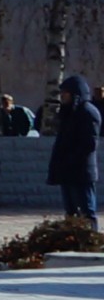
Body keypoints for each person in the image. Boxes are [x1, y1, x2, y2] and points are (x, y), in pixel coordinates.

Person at [55, 76, 100, 222]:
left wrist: (72, 159)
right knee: (70, 212)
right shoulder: (68, 113)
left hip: (81, 171)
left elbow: (89, 144)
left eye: (65, 93)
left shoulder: (87, 112)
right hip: (67, 170)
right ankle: (72, 240)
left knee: (86, 212)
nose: (62, 96)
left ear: (75, 93)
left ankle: (89, 241)